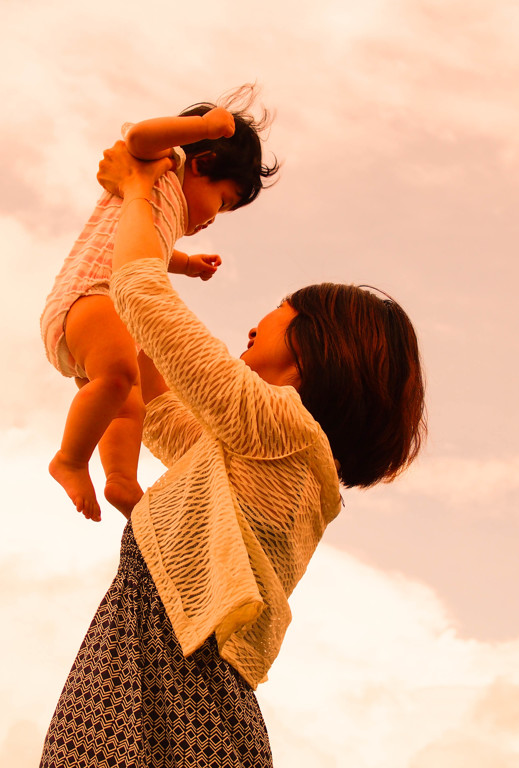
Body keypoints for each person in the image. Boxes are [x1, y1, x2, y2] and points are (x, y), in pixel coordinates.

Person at [38, 143, 428, 767]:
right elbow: (160, 409)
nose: (254, 326)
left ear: (315, 344)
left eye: (277, 313)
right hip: (152, 674)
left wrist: (140, 193)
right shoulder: (261, 448)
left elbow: (143, 295)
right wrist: (122, 294)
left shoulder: (278, 426)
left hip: (173, 686)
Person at [41, 85, 279, 523]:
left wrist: (186, 263)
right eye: (222, 201)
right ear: (204, 162)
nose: (212, 218)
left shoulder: (158, 209)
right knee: (120, 376)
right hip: (90, 293)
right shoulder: (168, 163)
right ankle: (70, 460)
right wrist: (204, 128)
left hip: (109, 307)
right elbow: (138, 138)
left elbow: (147, 248)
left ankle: (122, 478)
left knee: (128, 401)